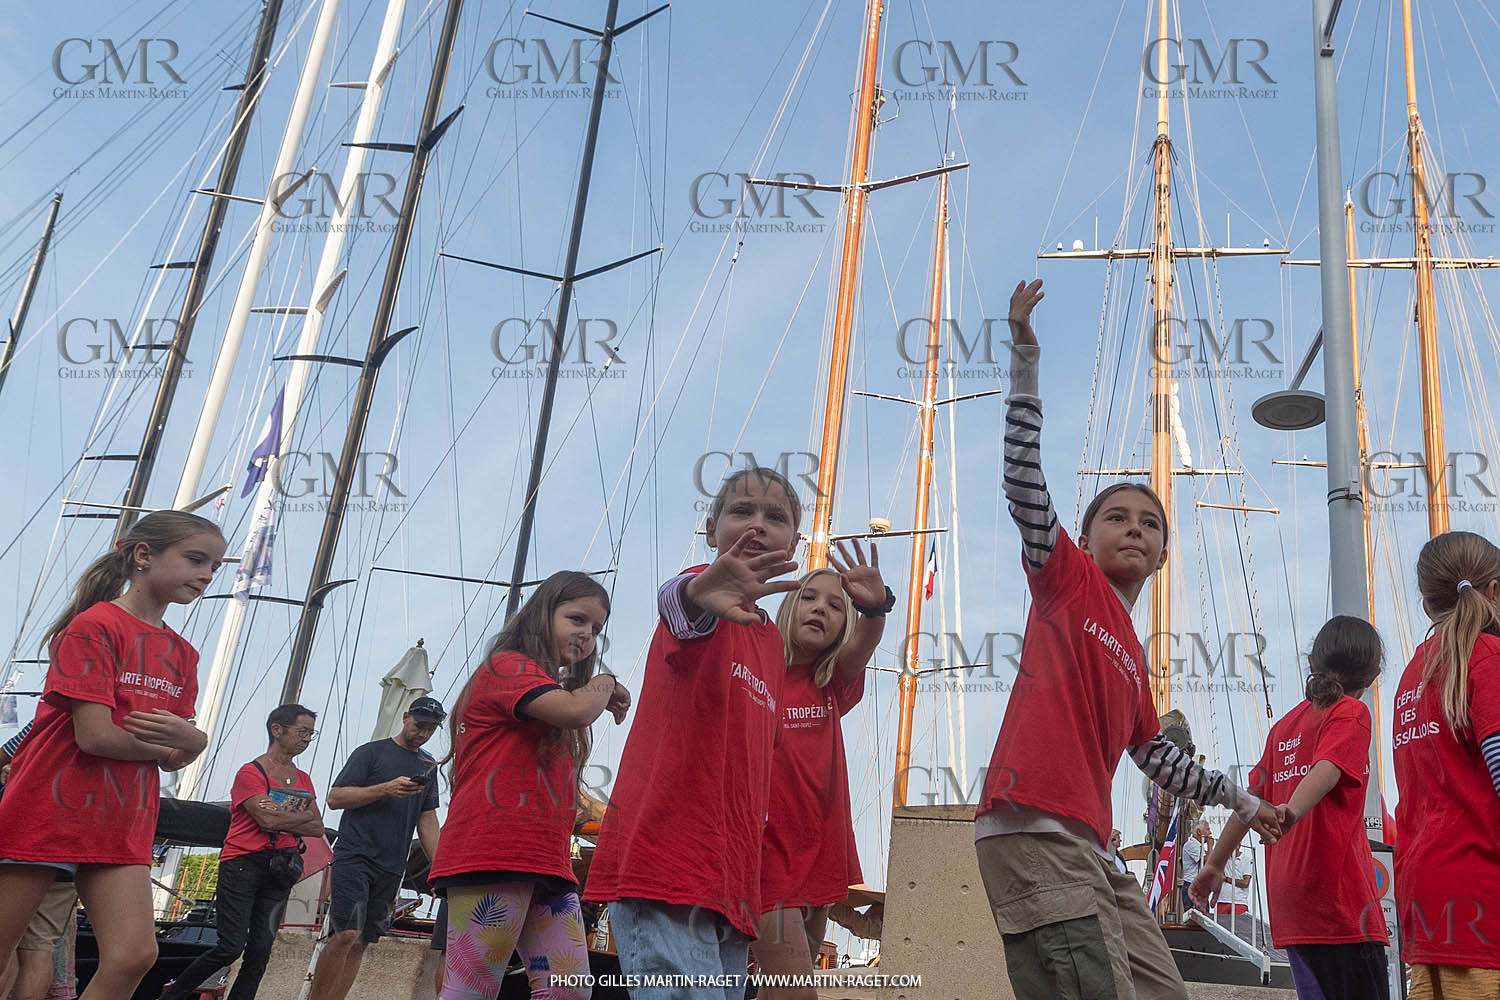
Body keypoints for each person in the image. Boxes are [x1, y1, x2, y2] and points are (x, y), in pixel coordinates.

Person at [973, 279, 1281, 1000]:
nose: (1134, 526)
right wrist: (1024, 365)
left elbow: (1157, 758)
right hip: (1033, 833)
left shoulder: (1131, 656)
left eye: (1149, 522)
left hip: (1090, 847)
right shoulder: (1066, 580)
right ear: (1081, 538)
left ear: (1163, 554)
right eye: (1116, 516)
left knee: (1162, 991)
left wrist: (1243, 801)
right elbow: (1023, 483)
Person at [584, 467, 804, 999]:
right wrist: (701, 589)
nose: (757, 525)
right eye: (741, 511)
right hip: (665, 867)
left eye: (776, 517)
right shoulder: (701, 595)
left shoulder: (772, 642)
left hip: (730, 886)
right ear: (711, 531)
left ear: (795, 541)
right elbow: (678, 604)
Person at [0, 511, 222, 1000]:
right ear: (144, 556)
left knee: (133, 956)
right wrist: (190, 740)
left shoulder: (183, 655)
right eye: (195, 559)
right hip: (47, 809)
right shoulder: (94, 626)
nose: (207, 574)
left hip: (123, 818)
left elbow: (169, 758)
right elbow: (95, 736)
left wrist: (188, 746)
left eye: (214, 566)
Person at [428, 570, 631, 1000]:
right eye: (577, 619)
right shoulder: (508, 667)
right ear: (542, 613)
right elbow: (577, 710)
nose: (587, 634)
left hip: (545, 864)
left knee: (569, 990)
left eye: (596, 628)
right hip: (495, 853)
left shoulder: (540, 688)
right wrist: (605, 682)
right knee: (471, 988)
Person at [1190, 615, 1388, 1000]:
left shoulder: (1283, 727)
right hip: (1340, 905)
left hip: (1291, 902)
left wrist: (1215, 864)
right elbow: (1328, 769)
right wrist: (1293, 811)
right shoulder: (1351, 712)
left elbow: (1250, 803)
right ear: (1373, 674)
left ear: (1312, 662)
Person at [753, 554, 888, 1000]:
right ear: (788, 607)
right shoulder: (758, 674)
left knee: (783, 989)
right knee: (795, 992)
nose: (819, 608)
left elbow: (863, 646)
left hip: (819, 857)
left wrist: (874, 608)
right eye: (808, 597)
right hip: (766, 861)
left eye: (835, 606)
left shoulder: (830, 681)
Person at [1391, 531, 1500, 998]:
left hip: (1425, 896)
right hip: (1482, 891)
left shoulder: (1414, 673)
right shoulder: (1488, 658)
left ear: (1425, 606)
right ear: (1494, 591)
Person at [161, 704, 326, 1000]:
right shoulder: (251, 772)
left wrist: (280, 816)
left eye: (310, 734)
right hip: (243, 863)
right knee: (231, 946)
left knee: (261, 949)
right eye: (302, 731)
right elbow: (268, 819)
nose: (306, 739)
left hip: (281, 866)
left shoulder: (304, 779)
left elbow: (317, 827)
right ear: (278, 730)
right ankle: (174, 994)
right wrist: (293, 818)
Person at [308, 697, 445, 1000]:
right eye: (420, 725)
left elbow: (428, 820)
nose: (423, 733)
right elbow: (335, 798)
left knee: (364, 940)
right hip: (355, 854)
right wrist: (384, 789)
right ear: (406, 717)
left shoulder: (428, 765)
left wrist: (440, 870)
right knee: (346, 933)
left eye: (431, 729)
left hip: (393, 863)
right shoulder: (370, 753)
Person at [2, 721, 80, 1000]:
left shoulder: (51, 718)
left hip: (26, 835)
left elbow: (4, 755)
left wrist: (10, 773)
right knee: (39, 949)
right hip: (73, 844)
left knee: (7, 941)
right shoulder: (126, 718)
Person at [1178, 821, 1211, 915]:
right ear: (1199, 832)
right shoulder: (1191, 845)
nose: (1210, 833)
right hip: (1191, 886)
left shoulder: (1200, 848)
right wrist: (1210, 845)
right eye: (1208, 829)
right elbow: (1207, 861)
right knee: (1193, 918)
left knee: (1205, 918)